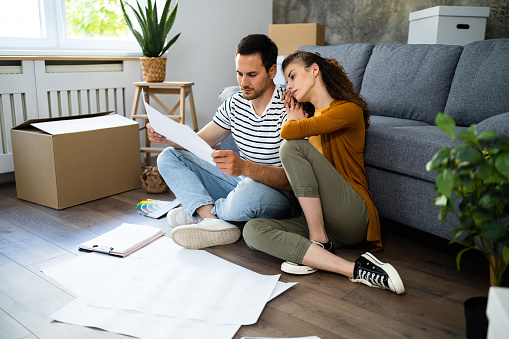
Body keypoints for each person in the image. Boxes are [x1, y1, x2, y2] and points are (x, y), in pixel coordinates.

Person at [243, 51, 405, 294]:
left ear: (315, 70)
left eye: (293, 76)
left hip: (352, 213)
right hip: (323, 221)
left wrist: (292, 121)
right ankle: (355, 269)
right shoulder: (305, 119)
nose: (289, 87)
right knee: (252, 231)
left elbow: (288, 135)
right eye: (287, 81)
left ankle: (318, 240)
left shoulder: (348, 110)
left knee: (291, 146)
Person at [147, 34, 300, 250]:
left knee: (249, 194)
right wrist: (167, 137)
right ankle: (211, 218)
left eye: (252, 75)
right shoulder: (235, 103)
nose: (243, 83)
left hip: (277, 195)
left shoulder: (290, 107)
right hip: (239, 183)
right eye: (239, 74)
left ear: (272, 71)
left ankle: (199, 209)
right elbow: (199, 142)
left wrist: (245, 167)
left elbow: (293, 181)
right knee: (169, 157)